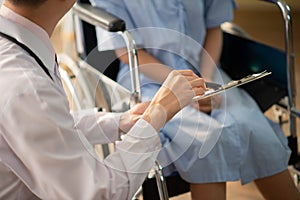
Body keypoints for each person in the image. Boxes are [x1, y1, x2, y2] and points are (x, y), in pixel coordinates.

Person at [91, 0, 300, 199]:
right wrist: (181, 86)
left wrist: (207, 78)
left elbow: (214, 27)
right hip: (149, 79)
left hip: (205, 69)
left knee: (255, 129)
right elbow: (126, 51)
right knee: (205, 140)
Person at [0, 0, 206, 199]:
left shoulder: (17, 56)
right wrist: (157, 114)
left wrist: (117, 122)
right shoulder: (29, 88)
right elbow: (99, 194)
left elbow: (45, 127)